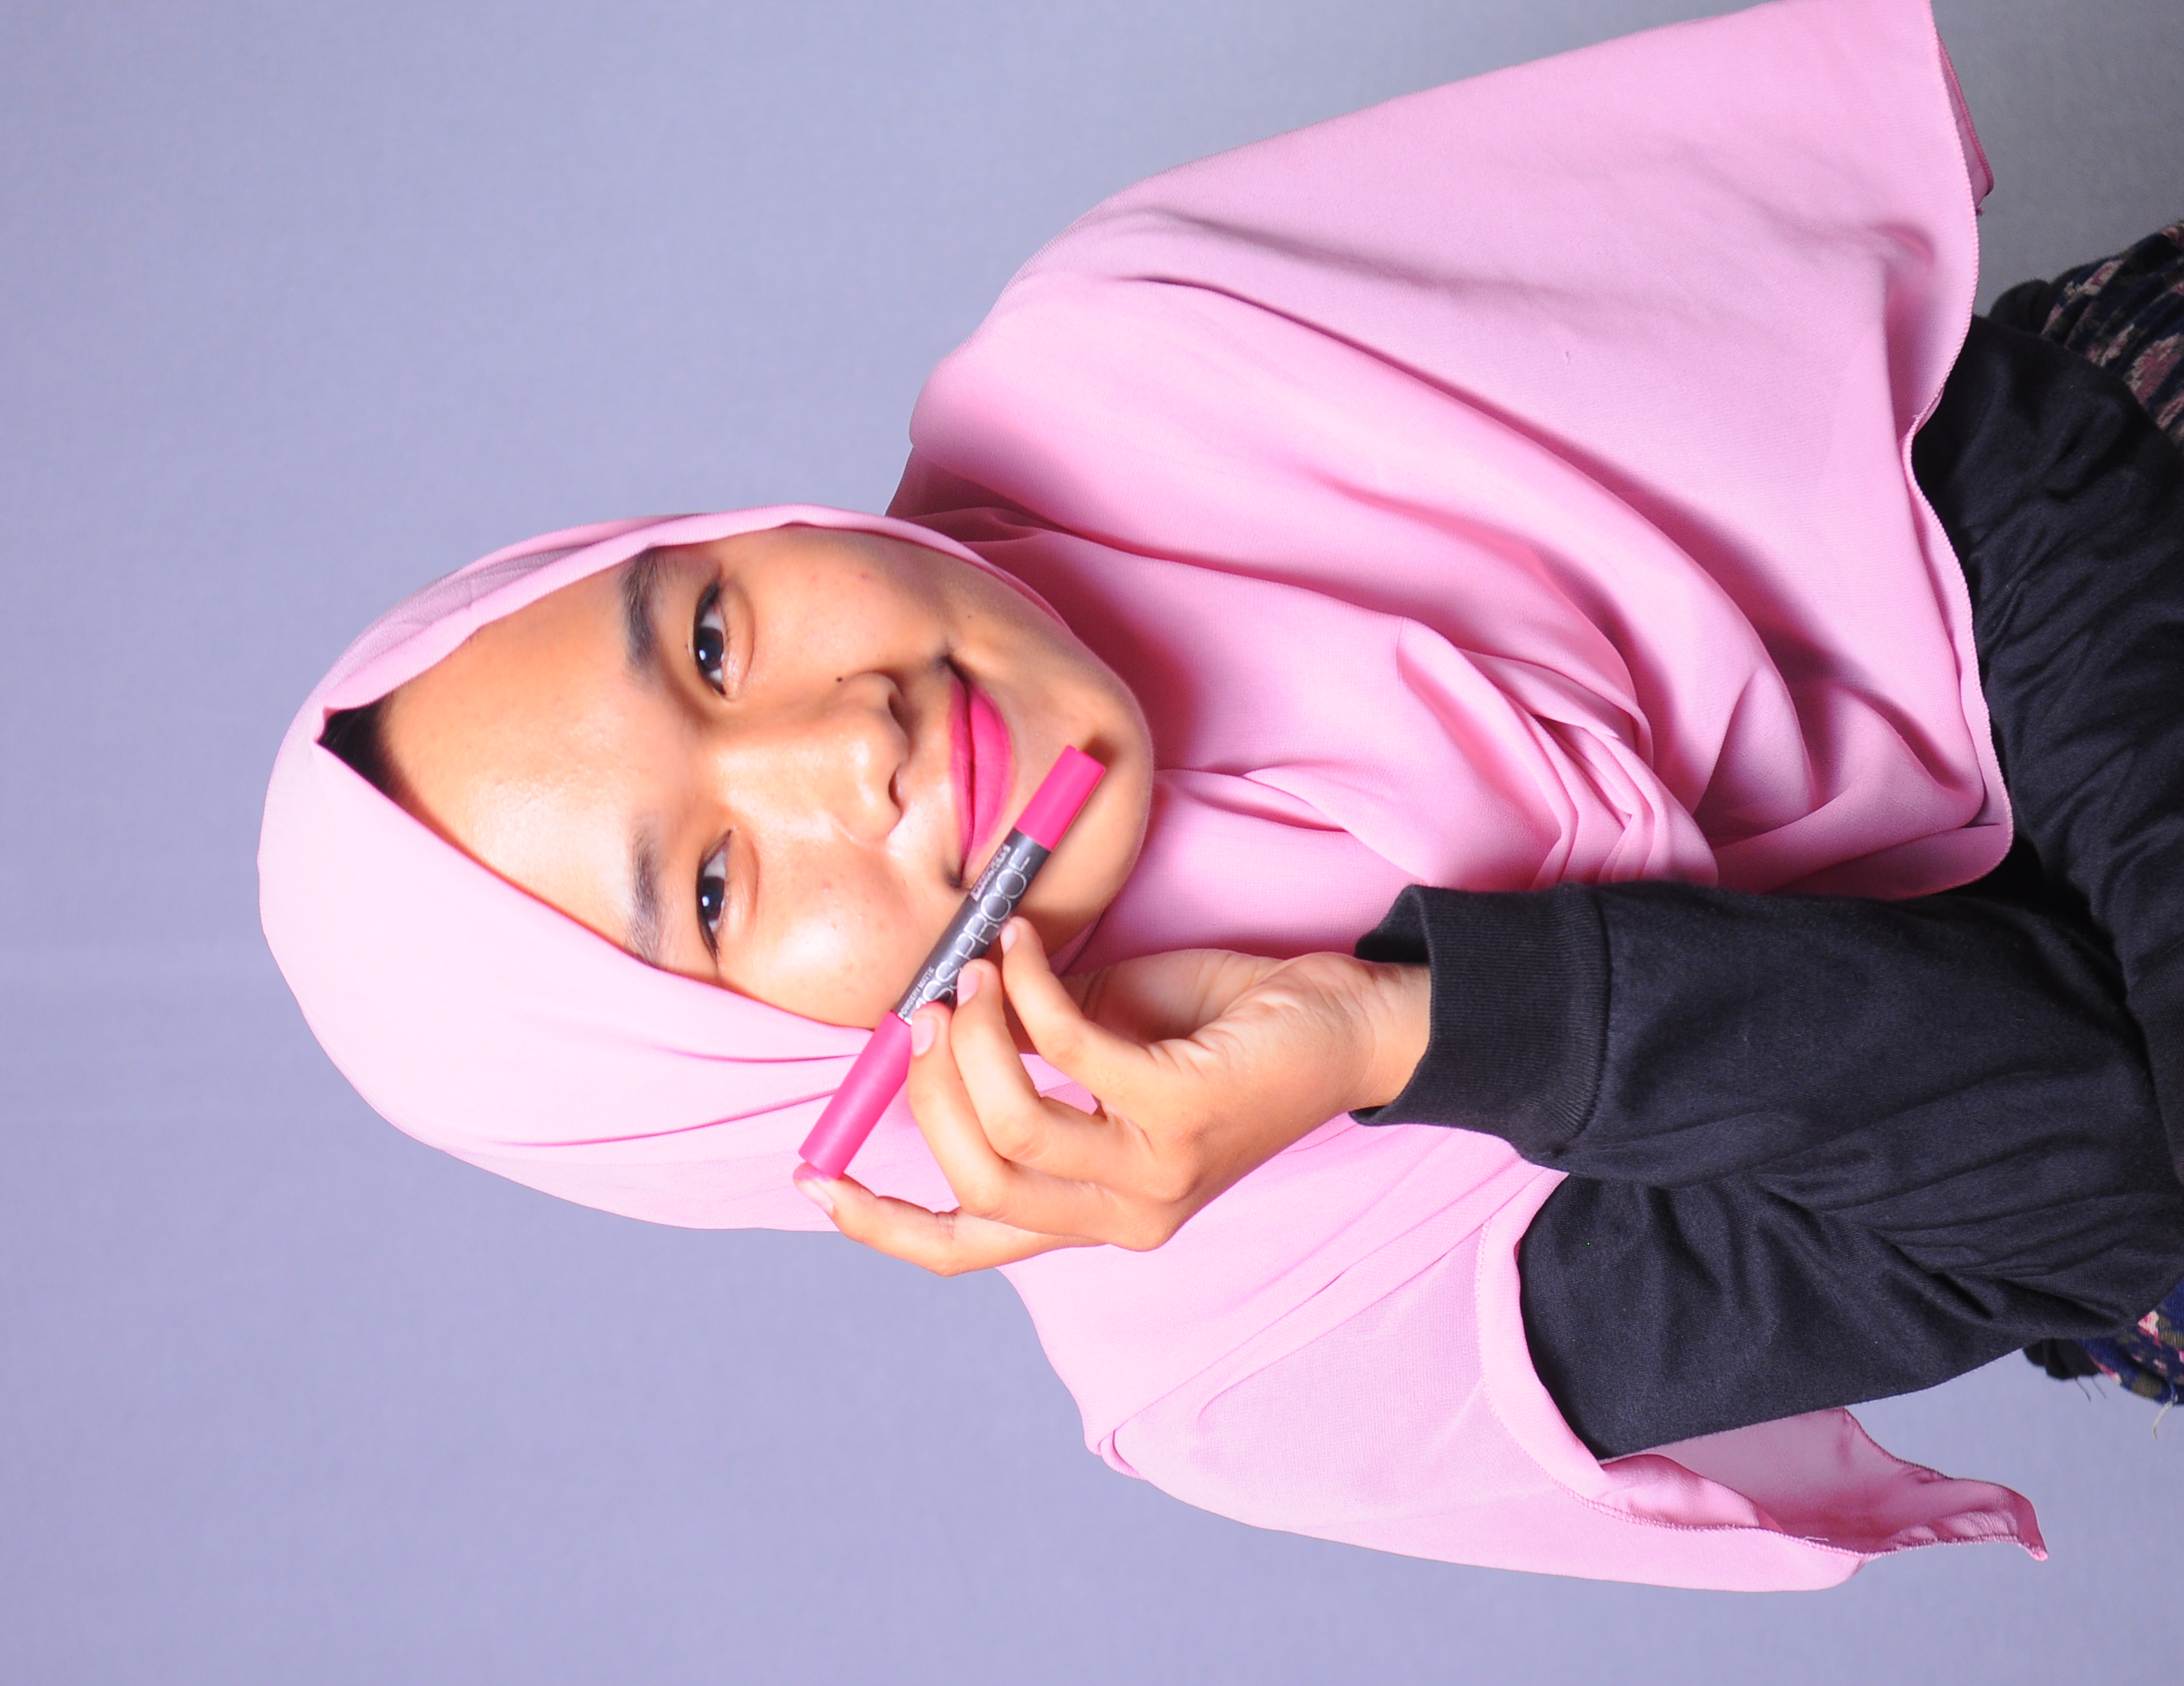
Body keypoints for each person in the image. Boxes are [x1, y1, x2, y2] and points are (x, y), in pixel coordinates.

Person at [260, 0, 2184, 1587]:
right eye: (709, 889)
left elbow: (2018, 469)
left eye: (705, 639)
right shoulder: (1246, 1353)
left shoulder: (1131, 353)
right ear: (761, 1090)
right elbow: (2090, 1202)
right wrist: (1415, 1029)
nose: (843, 743)